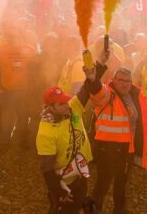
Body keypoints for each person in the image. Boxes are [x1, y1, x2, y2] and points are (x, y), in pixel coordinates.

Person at [36, 56, 107, 214]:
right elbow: (47, 169)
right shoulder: (45, 132)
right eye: (61, 104)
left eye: (65, 100)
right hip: (64, 181)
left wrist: (99, 66)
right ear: (50, 108)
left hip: (80, 172)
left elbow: (87, 88)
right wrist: (60, 192)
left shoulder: (73, 106)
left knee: (78, 204)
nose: (67, 105)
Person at [88, 66, 147, 213]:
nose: (125, 84)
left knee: (121, 183)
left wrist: (139, 148)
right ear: (113, 80)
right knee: (103, 183)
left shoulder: (134, 95)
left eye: (128, 81)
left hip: (126, 148)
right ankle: (93, 210)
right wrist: (92, 79)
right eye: (121, 80)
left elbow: (140, 123)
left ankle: (119, 209)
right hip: (106, 148)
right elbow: (96, 91)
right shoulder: (106, 93)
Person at [0, 22, 36, 150]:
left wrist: (31, 88)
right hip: (6, 89)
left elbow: (35, 70)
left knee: (22, 116)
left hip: (23, 90)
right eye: (9, 36)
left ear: (20, 35)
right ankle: (5, 139)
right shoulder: (1, 50)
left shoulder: (30, 49)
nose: (12, 38)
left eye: (15, 36)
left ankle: (18, 141)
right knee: (6, 115)